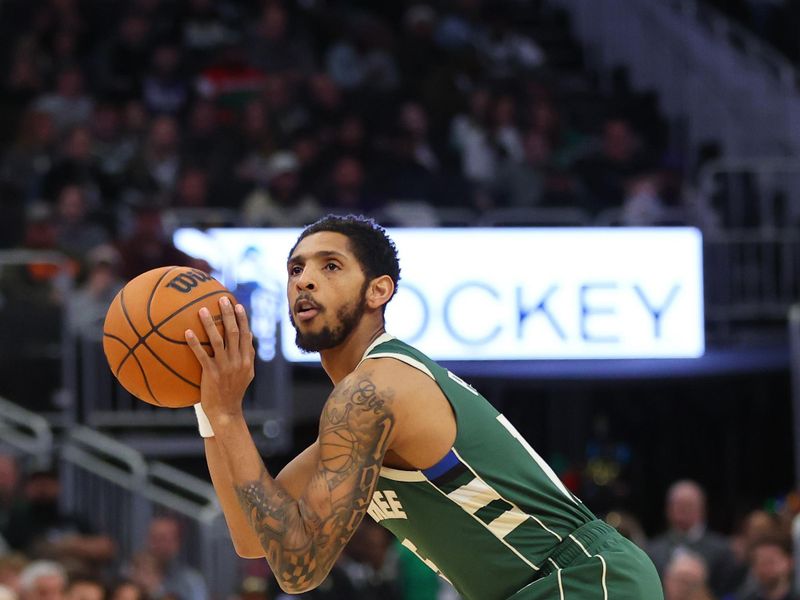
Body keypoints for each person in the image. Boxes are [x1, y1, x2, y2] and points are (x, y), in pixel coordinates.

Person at [185, 215, 664, 600]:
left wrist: (228, 414)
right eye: (295, 269)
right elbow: (256, 538)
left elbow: (297, 567)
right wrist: (211, 411)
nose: (305, 280)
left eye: (330, 266)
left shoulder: (373, 392)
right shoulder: (359, 407)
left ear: (379, 290)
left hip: (577, 578)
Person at [648, 480, 741, 597]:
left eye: (687, 506)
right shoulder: (653, 551)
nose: (682, 511)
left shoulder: (722, 550)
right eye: (677, 505)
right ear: (668, 510)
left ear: (702, 509)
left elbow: (730, 592)